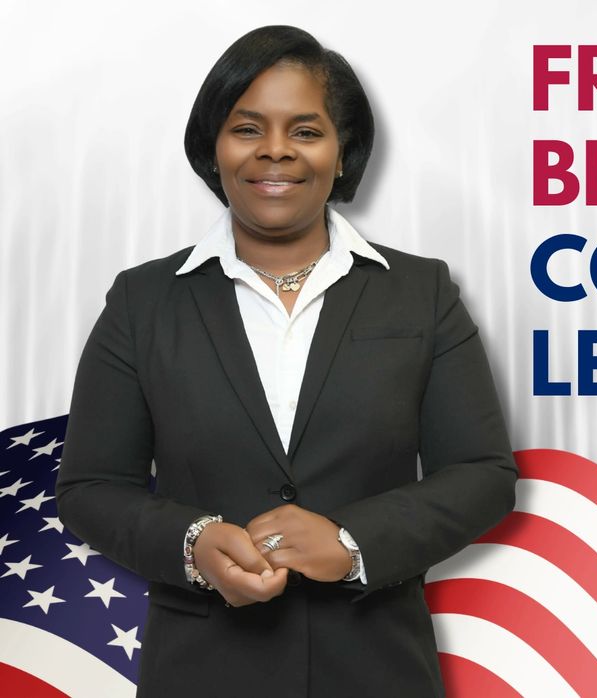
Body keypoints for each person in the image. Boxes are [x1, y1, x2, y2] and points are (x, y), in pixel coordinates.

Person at [55, 25, 517, 697]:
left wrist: (352, 541)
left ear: (342, 150)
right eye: (247, 128)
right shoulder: (142, 302)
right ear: (213, 149)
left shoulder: (421, 294)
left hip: (377, 669)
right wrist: (193, 543)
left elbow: (482, 473)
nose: (276, 151)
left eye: (305, 131)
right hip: (201, 671)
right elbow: (91, 486)